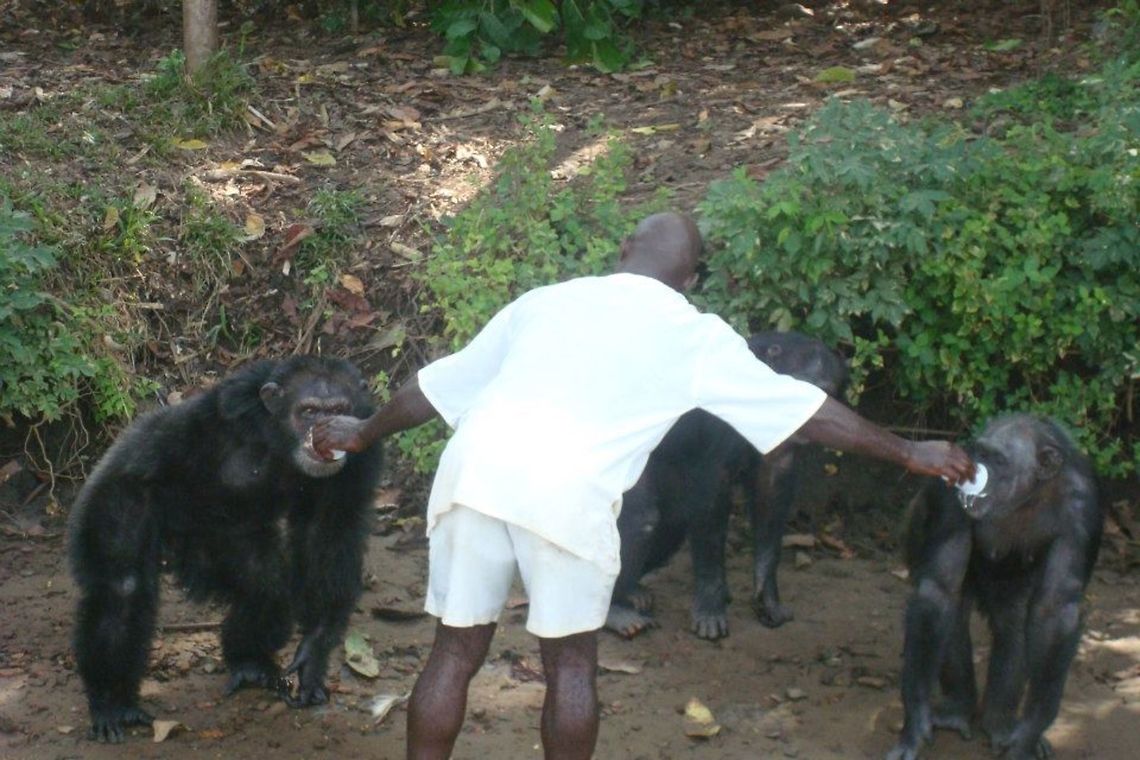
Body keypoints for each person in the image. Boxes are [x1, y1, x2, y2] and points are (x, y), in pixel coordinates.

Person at [310, 211, 975, 760]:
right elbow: (807, 410)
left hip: (474, 469)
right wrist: (907, 449)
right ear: (690, 278)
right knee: (570, 666)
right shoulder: (693, 334)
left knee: (454, 650)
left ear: (624, 249)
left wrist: (363, 434)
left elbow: (433, 388)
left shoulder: (545, 302)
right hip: (565, 492)